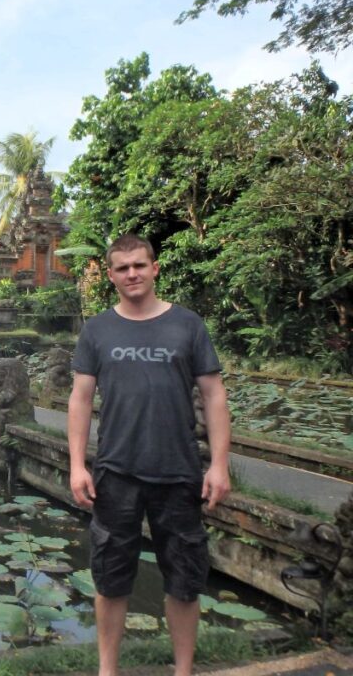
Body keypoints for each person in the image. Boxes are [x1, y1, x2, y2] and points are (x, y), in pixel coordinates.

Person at [67, 234, 231, 676]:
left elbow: (214, 395)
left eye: (139, 265)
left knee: (184, 578)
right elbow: (80, 399)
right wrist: (77, 464)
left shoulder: (188, 325)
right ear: (111, 275)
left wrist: (218, 464)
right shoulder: (98, 329)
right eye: (122, 268)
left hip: (178, 471)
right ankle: (108, 670)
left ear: (155, 268)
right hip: (115, 472)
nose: (132, 274)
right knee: (111, 576)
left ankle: (182, 670)